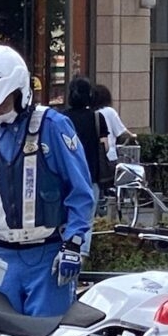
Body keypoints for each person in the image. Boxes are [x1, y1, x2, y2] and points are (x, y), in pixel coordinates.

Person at [0, 45, 95, 317]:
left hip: (47, 255)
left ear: (18, 93)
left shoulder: (53, 126)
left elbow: (81, 192)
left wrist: (74, 244)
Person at [61, 76, 109, 256]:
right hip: (91, 175)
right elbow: (106, 145)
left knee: (64, 216)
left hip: (65, 177)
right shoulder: (97, 118)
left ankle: (63, 250)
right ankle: (80, 255)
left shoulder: (61, 118)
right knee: (86, 219)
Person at [91, 84, 136, 165]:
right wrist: (132, 135)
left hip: (93, 157)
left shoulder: (91, 113)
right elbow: (122, 131)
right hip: (109, 156)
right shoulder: (109, 111)